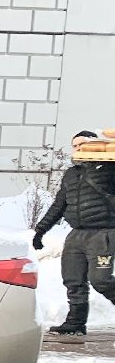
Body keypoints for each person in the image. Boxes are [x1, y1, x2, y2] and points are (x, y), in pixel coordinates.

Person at [33, 130, 115, 340]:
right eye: (75, 146)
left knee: (101, 280)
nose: (77, 150)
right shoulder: (71, 174)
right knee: (73, 279)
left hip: (102, 233)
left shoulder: (109, 170)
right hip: (77, 234)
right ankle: (75, 323)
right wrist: (40, 230)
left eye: (82, 145)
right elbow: (59, 204)